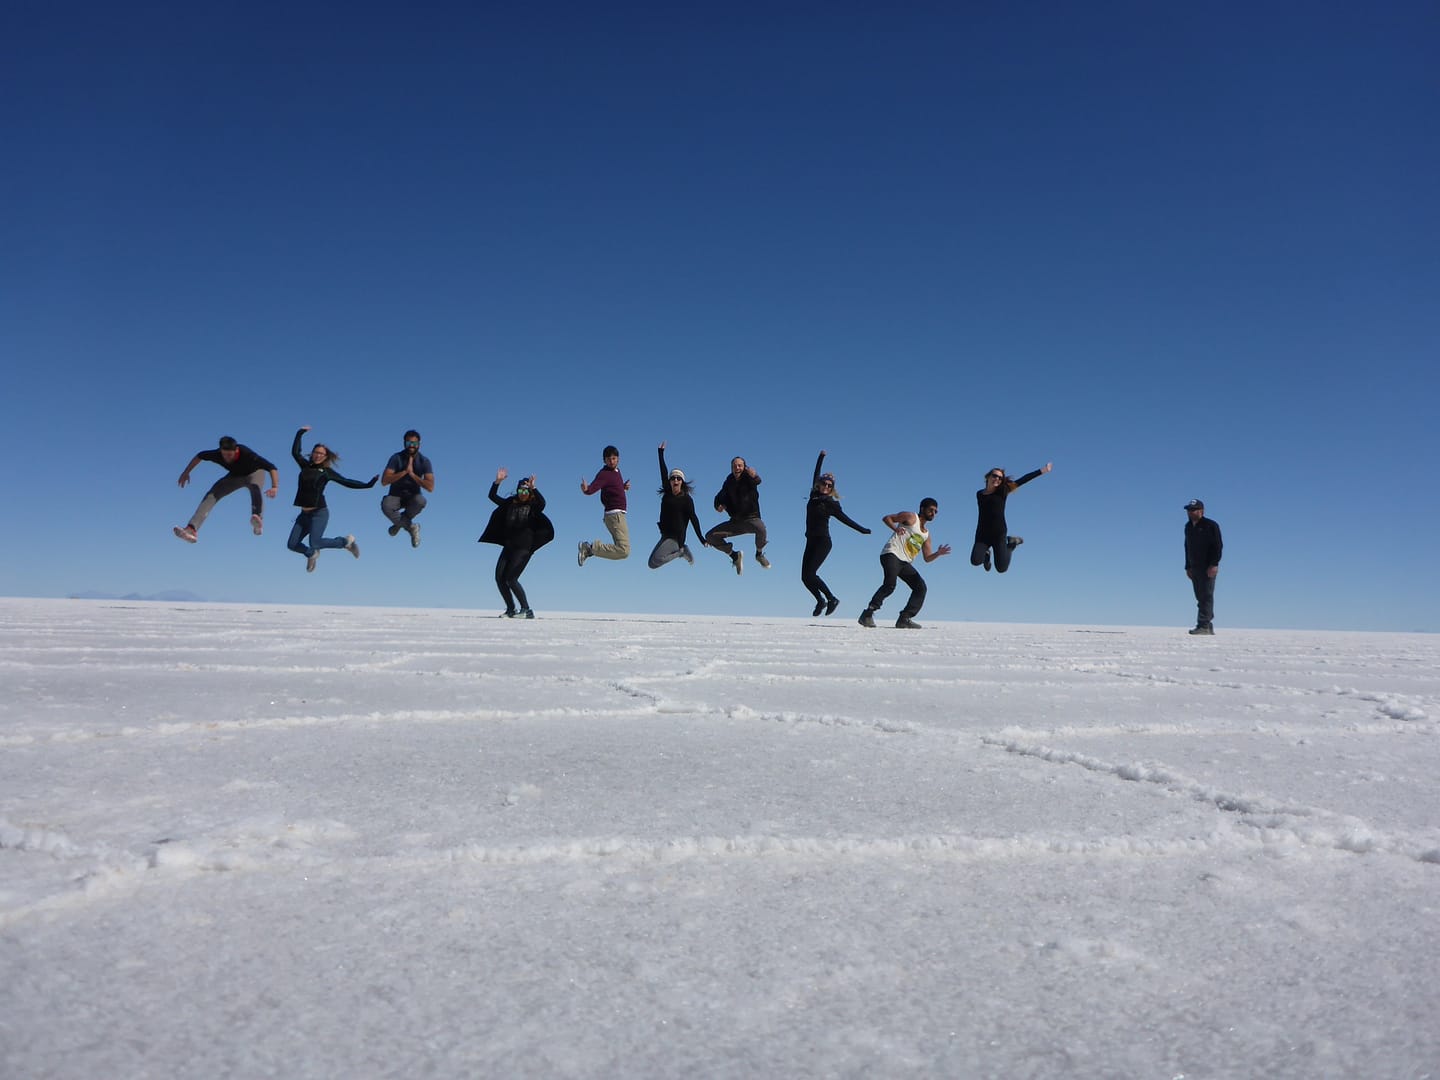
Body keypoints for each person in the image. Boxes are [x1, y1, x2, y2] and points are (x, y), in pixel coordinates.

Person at [286, 427, 378, 572]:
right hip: (304, 515)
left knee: (315, 541)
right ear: (312, 454)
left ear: (325, 457)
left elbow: (346, 481)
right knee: (292, 544)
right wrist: (299, 433)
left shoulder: (327, 473)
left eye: (321, 454)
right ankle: (312, 554)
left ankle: (346, 542)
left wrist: (367, 485)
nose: (318, 455)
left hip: (319, 513)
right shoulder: (305, 466)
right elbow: (295, 452)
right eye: (316, 452)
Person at [858, 498, 951, 629]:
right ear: (922, 508)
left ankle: (904, 618)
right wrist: (895, 529)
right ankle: (867, 614)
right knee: (890, 585)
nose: (933, 513)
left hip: (904, 562)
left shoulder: (926, 534)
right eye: (931, 510)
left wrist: (938, 553)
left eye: (936, 512)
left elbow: (927, 558)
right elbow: (887, 518)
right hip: (891, 553)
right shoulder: (911, 517)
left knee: (920, 587)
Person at [173, 435, 280, 542]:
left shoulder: (247, 453)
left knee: (255, 487)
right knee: (213, 494)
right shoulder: (217, 454)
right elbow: (199, 456)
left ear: (236, 450)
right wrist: (186, 472)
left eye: (230, 455)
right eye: (224, 455)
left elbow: (271, 467)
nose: (227, 458)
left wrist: (274, 487)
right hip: (235, 476)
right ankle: (192, 529)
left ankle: (258, 520)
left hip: (255, 473)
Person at [802, 450, 871, 615]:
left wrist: (862, 530)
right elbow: (816, 473)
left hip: (823, 542)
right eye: (824, 483)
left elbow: (845, 519)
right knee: (805, 577)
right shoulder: (813, 495)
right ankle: (820, 601)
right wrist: (820, 457)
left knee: (811, 573)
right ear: (819, 484)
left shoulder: (831, 504)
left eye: (829, 485)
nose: (826, 487)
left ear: (832, 488)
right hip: (810, 540)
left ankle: (831, 598)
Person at [479, 469, 554, 618]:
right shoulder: (509, 503)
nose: (523, 493)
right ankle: (511, 609)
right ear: (518, 490)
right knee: (499, 578)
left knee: (511, 579)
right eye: (521, 490)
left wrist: (534, 488)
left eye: (526, 491)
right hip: (509, 547)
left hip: (524, 549)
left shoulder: (533, 507)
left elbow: (543, 503)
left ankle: (527, 610)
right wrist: (497, 482)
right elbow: (492, 496)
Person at [970, 462, 1053, 573]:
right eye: (995, 476)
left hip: (998, 533)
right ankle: (986, 554)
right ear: (988, 477)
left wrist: (1042, 470)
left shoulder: (1003, 491)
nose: (997, 479)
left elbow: (1022, 480)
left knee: (1001, 568)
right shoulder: (979, 494)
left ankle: (1012, 544)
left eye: (1000, 478)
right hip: (982, 534)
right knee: (975, 561)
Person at [705, 456, 768, 575]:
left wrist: (754, 475)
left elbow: (757, 481)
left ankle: (759, 554)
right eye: (734, 466)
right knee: (710, 536)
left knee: (762, 529)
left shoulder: (748, 477)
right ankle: (735, 556)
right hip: (735, 523)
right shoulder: (729, 482)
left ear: (744, 467)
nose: (737, 468)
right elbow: (719, 496)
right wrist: (718, 505)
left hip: (751, 519)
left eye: (739, 465)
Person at [649, 442, 708, 569]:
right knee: (651, 561)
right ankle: (681, 551)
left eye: (678, 478)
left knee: (654, 562)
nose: (675, 480)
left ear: (682, 482)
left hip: (676, 538)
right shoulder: (667, 492)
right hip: (665, 535)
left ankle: (681, 551)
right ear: (670, 481)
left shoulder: (686, 500)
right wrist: (660, 452)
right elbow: (663, 471)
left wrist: (701, 539)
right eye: (673, 478)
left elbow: (694, 519)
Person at [577, 445, 631, 565]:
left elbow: (612, 489)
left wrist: (623, 487)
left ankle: (590, 549)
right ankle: (590, 548)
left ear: (618, 459)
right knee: (624, 550)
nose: (611, 461)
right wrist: (586, 490)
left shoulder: (616, 472)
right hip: (615, 515)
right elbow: (592, 488)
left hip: (617, 515)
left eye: (613, 458)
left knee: (623, 549)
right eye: (608, 459)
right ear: (604, 460)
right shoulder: (604, 474)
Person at [380, 429, 434, 548]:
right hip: (396, 496)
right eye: (409, 443)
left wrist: (413, 475)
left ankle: (399, 525)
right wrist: (404, 472)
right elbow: (384, 481)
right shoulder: (396, 458)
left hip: (412, 497)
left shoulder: (424, 461)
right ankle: (411, 527)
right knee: (386, 505)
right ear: (404, 443)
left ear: (419, 444)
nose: (412, 446)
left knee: (421, 501)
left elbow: (430, 487)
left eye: (414, 443)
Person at [1184, 499, 1223, 635]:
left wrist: (1214, 564)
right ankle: (1207, 624)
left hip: (1207, 566)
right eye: (1189, 510)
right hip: (1194, 567)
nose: (1190, 512)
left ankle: (1204, 625)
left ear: (1201, 511)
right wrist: (1187, 566)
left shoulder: (1210, 525)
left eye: (1193, 510)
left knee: (1206, 595)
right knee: (1200, 596)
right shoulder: (1188, 527)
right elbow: (1187, 547)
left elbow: (1218, 546)